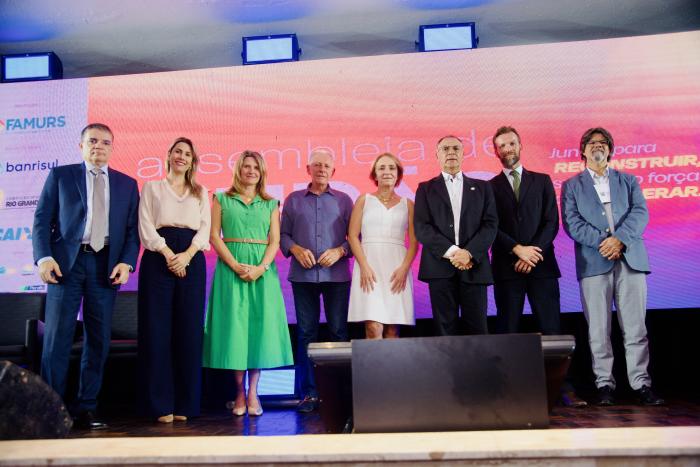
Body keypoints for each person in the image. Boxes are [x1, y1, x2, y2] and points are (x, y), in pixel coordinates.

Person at [32, 123, 140, 429]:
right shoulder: (61, 176)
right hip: (65, 265)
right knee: (57, 339)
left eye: (105, 142)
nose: (98, 147)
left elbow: (132, 232)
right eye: (92, 141)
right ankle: (51, 409)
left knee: (98, 340)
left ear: (112, 147)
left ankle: (86, 408)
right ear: (81, 146)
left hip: (106, 267)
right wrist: (44, 257)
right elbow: (41, 220)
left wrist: (126, 263)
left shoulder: (127, 184)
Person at [561, 127, 664, 406]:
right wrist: (604, 242)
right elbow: (572, 223)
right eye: (592, 143)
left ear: (610, 149)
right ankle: (604, 384)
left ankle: (641, 384)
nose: (598, 146)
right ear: (582, 150)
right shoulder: (572, 186)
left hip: (630, 259)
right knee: (598, 329)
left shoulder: (628, 180)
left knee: (635, 327)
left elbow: (640, 213)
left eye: (603, 143)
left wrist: (620, 240)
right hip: (594, 262)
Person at [489, 126, 586, 407]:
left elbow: (551, 222)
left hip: (542, 266)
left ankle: (563, 389)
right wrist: (517, 250)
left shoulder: (542, 180)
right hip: (507, 268)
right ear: (496, 151)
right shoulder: (488, 187)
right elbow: (491, 226)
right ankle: (505, 389)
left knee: (552, 328)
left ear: (520, 146)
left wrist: (532, 253)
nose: (507, 149)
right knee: (508, 329)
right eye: (502, 146)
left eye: (511, 143)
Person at [203, 150, 293, 417]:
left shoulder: (271, 203)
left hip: (262, 272)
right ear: (238, 170)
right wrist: (234, 265)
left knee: (258, 331)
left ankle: (253, 392)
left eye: (256, 167)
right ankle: (239, 393)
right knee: (235, 331)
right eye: (246, 166)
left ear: (261, 172)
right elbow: (214, 236)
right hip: (230, 270)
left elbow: (275, 240)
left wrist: (260, 268)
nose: (251, 171)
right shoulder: (221, 198)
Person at [137, 137, 211, 423]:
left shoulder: (200, 191)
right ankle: (160, 405)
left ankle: (185, 405)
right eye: (177, 152)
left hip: (191, 258)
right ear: (168, 155)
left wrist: (186, 256)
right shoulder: (152, 187)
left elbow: (204, 230)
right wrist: (169, 255)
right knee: (157, 331)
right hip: (159, 258)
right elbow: (145, 226)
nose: (182, 157)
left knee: (189, 330)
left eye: (187, 154)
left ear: (193, 161)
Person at [280, 149, 353, 412]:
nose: (321, 169)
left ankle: (342, 393)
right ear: (308, 169)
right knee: (306, 334)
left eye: (326, 166)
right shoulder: (293, 200)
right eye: (317, 165)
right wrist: (296, 249)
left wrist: (340, 251)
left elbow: (355, 238)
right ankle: (309, 394)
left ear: (333, 171)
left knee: (339, 332)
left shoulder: (345, 200)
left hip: (337, 277)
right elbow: (283, 236)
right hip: (303, 277)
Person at [414, 135, 498, 336]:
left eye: (455, 148)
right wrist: (454, 252)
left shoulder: (483, 187)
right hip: (439, 269)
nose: (450, 152)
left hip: (474, 266)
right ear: (437, 155)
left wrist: (468, 253)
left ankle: (478, 361)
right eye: (445, 149)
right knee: (445, 332)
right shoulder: (425, 189)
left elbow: (490, 224)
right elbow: (422, 227)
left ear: (463, 153)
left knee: (478, 329)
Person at [347, 153, 417, 338]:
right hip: (369, 267)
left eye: (392, 168)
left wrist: (404, 269)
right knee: (373, 327)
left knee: (392, 330)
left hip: (397, 268)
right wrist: (364, 266)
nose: (387, 172)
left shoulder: (408, 204)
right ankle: (373, 359)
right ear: (375, 174)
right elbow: (353, 236)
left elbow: (414, 242)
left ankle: (391, 360)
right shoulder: (364, 200)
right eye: (382, 168)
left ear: (398, 174)